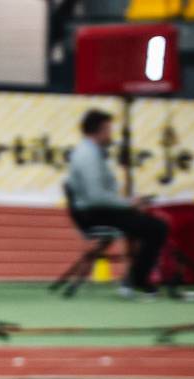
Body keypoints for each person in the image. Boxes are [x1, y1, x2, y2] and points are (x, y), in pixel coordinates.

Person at [65, 110, 169, 297]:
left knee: (146, 224)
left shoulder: (92, 153)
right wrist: (129, 204)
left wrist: (130, 204)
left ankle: (132, 280)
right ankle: (138, 280)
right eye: (108, 130)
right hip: (94, 214)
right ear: (100, 131)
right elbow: (96, 197)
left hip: (99, 211)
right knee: (156, 228)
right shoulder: (88, 155)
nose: (110, 135)